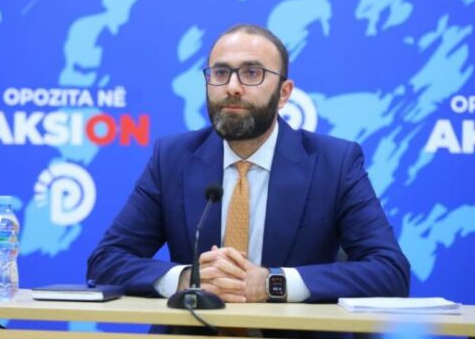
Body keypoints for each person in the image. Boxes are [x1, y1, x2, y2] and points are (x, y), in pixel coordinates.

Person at [87, 24, 410, 333]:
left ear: (284, 93)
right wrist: (188, 280)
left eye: (252, 73)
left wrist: (271, 283)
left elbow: (390, 271)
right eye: (220, 73)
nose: (232, 87)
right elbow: (105, 261)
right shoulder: (173, 158)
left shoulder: (334, 163)